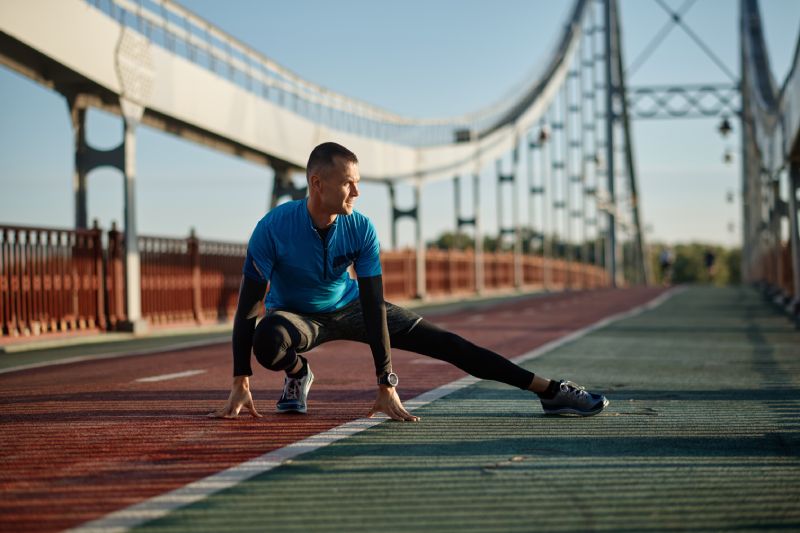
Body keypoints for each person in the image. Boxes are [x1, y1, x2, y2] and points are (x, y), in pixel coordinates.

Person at [209, 142, 608, 422]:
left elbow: (372, 304)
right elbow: (249, 308)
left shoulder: (361, 228)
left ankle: (550, 391)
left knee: (450, 344)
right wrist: (241, 378)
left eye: (358, 181)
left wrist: (386, 382)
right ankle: (298, 374)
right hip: (297, 317)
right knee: (267, 340)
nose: (358, 191)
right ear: (317, 183)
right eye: (349, 182)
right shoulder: (272, 228)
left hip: (349, 306)